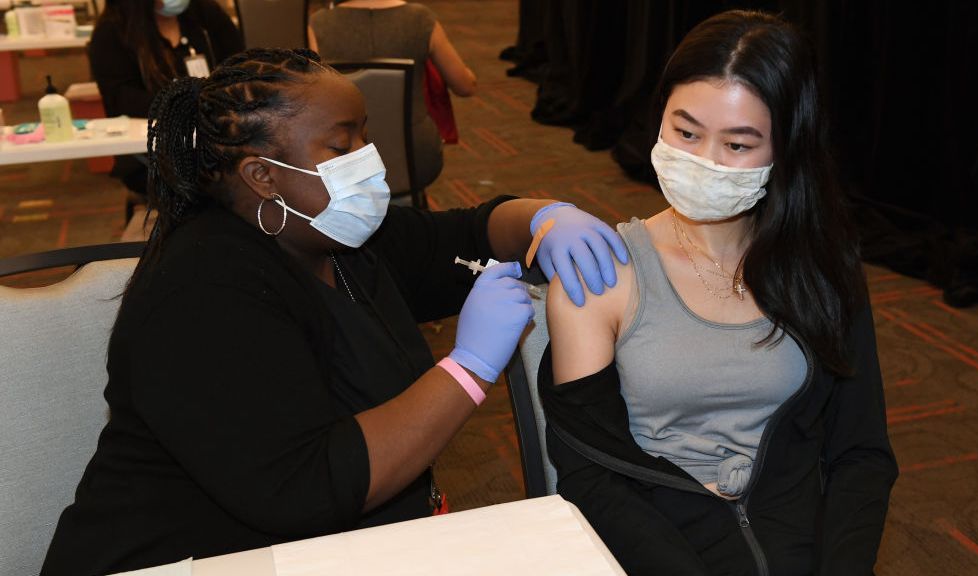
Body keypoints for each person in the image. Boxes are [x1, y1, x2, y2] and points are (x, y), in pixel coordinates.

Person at [40, 47, 628, 576]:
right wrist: (467, 368)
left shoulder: (336, 236)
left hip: (333, 547)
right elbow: (307, 485)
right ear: (262, 176)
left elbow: (472, 232)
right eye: (342, 146)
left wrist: (544, 218)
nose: (369, 160)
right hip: (186, 559)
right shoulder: (200, 290)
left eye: (365, 138)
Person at [540, 10, 898, 576]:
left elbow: (861, 454)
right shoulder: (603, 274)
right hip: (658, 547)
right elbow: (591, 471)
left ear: (785, 149)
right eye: (685, 132)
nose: (703, 161)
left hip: (797, 541)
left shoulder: (823, 267)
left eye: (737, 145)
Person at [88, 0, 243, 217]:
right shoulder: (112, 33)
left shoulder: (205, 17)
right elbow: (123, 99)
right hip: (155, 152)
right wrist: (194, 103)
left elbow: (240, 69)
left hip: (219, 139)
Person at [309, 0, 477, 193]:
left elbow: (311, 92)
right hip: (415, 155)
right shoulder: (420, 19)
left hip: (344, 156)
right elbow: (465, 87)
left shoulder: (318, 23)